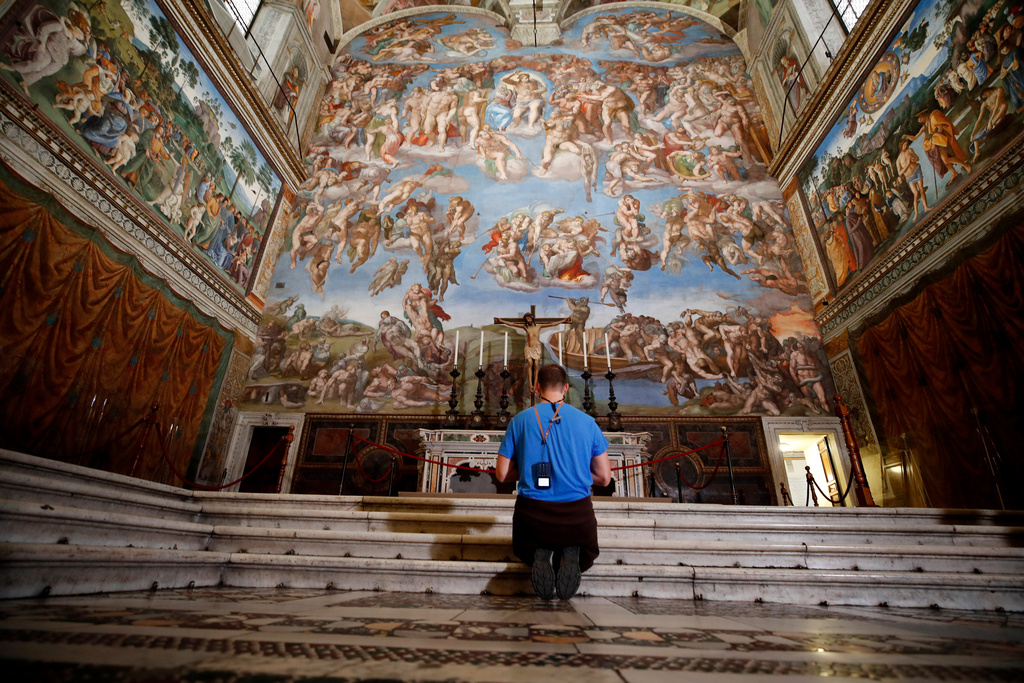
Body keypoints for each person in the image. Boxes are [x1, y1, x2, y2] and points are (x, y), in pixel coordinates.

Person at [495, 364, 611, 600]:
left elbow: (501, 474)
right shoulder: (588, 422)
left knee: (528, 541)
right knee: (582, 541)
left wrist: (528, 470)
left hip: (533, 516)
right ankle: (570, 549)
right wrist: (573, 471)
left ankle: (541, 549)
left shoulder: (519, 420)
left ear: (536, 387)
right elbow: (605, 477)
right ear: (566, 388)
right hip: (577, 517)